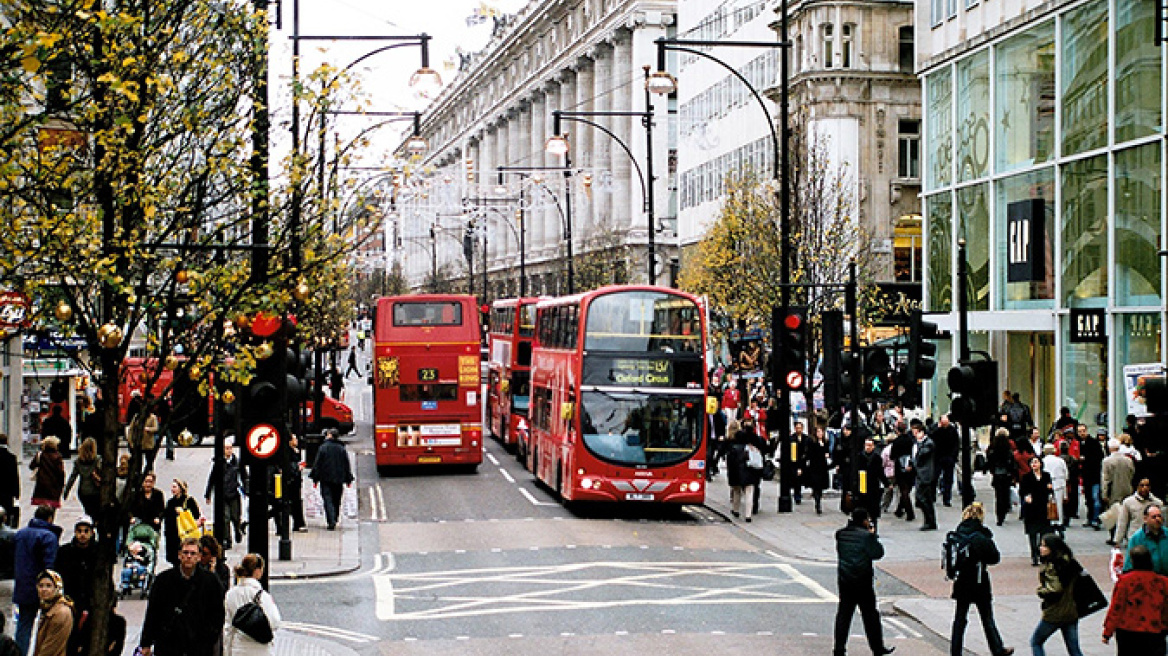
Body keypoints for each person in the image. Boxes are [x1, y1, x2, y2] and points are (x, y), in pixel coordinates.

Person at [138, 537, 225, 656]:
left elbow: (217, 614)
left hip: (199, 647)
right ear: (179, 555)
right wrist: (146, 643)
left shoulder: (211, 582)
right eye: (185, 552)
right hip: (169, 645)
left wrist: (207, 638)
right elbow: (153, 613)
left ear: (199, 557)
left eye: (193, 553)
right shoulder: (163, 580)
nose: (189, 556)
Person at [949, 503, 1014, 656]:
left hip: (961, 581)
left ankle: (955, 651)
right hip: (979, 581)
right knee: (987, 618)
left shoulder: (957, 535)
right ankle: (997, 649)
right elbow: (995, 558)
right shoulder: (980, 536)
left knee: (960, 619)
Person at [832, 508, 895, 656]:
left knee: (844, 615)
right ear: (864, 521)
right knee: (870, 616)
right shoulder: (866, 537)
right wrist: (873, 536)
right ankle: (877, 648)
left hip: (845, 581)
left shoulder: (840, 534)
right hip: (863, 581)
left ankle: (839, 649)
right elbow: (878, 553)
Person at [12, 505, 62, 655]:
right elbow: (49, 565)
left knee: (23, 625)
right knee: (45, 625)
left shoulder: (20, 534)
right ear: (50, 518)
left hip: (22, 586)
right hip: (42, 588)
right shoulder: (49, 537)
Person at [1103, 544, 1168, 654]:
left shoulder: (1125, 581)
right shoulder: (1162, 582)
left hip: (1128, 630)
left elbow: (1117, 607)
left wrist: (1107, 632)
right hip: (1154, 629)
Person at [1030, 533, 1085, 656]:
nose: (1040, 548)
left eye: (1044, 546)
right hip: (1071, 610)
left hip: (1055, 612)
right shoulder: (1069, 562)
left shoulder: (1052, 566)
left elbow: (1055, 588)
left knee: (1036, 641)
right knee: (1074, 649)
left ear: (1052, 549)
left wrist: (1040, 591)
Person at [53, 517, 97, 656]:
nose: (82, 535)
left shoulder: (97, 552)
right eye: (79, 531)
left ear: (91, 533)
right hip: (70, 599)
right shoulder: (64, 552)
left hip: (91, 601)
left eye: (86, 531)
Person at [223, 553, 282, 656]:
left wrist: (227, 652)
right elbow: (275, 621)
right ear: (257, 571)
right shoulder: (263, 596)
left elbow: (228, 628)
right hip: (261, 650)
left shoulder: (230, 594)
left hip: (239, 649)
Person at [204, 439, 248, 548]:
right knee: (225, 518)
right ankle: (227, 539)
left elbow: (244, 476)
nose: (228, 450)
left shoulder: (237, 462)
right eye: (226, 448)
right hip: (223, 494)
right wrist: (208, 493)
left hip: (234, 493)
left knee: (235, 517)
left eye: (230, 448)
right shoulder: (218, 463)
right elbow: (212, 478)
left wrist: (246, 489)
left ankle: (237, 530)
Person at [310, 429, 353, 531]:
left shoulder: (323, 448)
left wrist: (315, 478)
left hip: (325, 479)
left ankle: (331, 520)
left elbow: (317, 464)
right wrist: (348, 479)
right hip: (339, 479)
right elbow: (346, 464)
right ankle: (335, 517)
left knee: (327, 499)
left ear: (330, 436)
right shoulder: (341, 448)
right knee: (337, 500)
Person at [1019, 456, 1054, 566]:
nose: (1034, 464)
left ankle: (1042, 555)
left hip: (1043, 508)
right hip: (1031, 509)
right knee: (1032, 534)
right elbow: (1022, 491)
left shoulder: (1046, 475)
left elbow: (1049, 490)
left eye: (1036, 462)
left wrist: (1050, 489)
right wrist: (1026, 497)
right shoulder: (1027, 477)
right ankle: (1034, 555)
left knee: (1044, 533)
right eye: (1032, 463)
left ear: (1040, 464)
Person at [725, 420, 761, 522]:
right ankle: (748, 515)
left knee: (737, 490)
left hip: (735, 471)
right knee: (749, 491)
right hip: (748, 470)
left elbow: (726, 459)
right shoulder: (748, 444)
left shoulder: (730, 445)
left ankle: (736, 510)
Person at [33, 570, 73, 656]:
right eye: (41, 586)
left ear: (57, 588)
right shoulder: (47, 608)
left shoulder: (60, 613)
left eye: (48, 586)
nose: (44, 589)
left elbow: (50, 648)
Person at [163, 479, 201, 567]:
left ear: (181, 488)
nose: (172, 489)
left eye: (174, 487)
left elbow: (196, 515)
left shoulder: (189, 501)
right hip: (173, 535)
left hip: (185, 534)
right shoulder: (170, 502)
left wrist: (183, 512)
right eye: (172, 487)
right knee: (175, 559)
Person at [1115, 479, 1163, 549]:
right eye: (1142, 485)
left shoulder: (1157, 503)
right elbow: (1122, 522)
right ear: (1137, 487)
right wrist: (1117, 541)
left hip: (1152, 539)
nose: (1145, 488)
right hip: (1134, 539)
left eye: (1147, 485)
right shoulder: (1128, 502)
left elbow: (1162, 522)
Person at [62, 439, 102, 519]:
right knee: (96, 513)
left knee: (88, 512)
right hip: (95, 491)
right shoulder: (97, 460)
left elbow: (72, 477)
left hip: (83, 491)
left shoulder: (78, 461)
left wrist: (66, 490)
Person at [1124, 504, 1168, 575]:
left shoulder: (1167, 534)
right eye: (1154, 517)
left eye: (1159, 516)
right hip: (1147, 581)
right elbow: (1128, 565)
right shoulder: (1136, 538)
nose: (1158, 519)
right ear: (1145, 519)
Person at [986, 429, 1017, 526]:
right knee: (1005, 493)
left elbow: (989, 459)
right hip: (1006, 474)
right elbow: (1012, 462)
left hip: (997, 473)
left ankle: (999, 514)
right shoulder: (1008, 448)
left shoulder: (993, 448)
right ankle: (1005, 510)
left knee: (998, 495)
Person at [911, 419, 937, 530]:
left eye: (916, 432)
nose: (914, 434)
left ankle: (930, 521)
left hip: (925, 474)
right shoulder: (917, 443)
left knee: (924, 498)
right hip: (919, 473)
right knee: (923, 498)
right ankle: (929, 520)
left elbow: (922, 454)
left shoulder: (928, 443)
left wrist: (919, 444)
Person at [856, 438, 886, 535]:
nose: (868, 447)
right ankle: (863, 529)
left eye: (870, 445)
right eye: (866, 445)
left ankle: (873, 529)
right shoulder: (860, 456)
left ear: (873, 446)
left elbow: (880, 472)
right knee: (863, 510)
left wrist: (886, 483)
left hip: (873, 487)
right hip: (862, 485)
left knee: (873, 512)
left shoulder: (877, 458)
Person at [1080, 425, 1107, 529]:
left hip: (1094, 475)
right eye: (1080, 431)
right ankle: (1090, 517)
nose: (1081, 433)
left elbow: (1098, 458)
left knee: (1095, 498)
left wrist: (1085, 459)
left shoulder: (1093, 443)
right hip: (1086, 476)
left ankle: (1096, 519)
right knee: (1088, 498)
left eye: (1083, 431)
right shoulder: (1079, 443)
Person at [29, 437, 66, 509]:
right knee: (52, 509)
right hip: (53, 486)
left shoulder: (40, 455)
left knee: (42, 508)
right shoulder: (58, 456)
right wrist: (62, 485)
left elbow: (31, 466)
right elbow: (60, 473)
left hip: (41, 485)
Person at [803, 425, 831, 515]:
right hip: (814, 466)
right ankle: (817, 502)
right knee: (816, 485)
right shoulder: (812, 442)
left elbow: (827, 452)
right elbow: (810, 454)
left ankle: (818, 497)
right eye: (818, 432)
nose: (820, 434)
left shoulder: (825, 442)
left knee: (821, 486)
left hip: (823, 466)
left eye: (821, 432)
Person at [890, 423, 915, 522]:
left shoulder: (896, 442)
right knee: (907, 489)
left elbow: (892, 456)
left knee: (904, 490)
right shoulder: (911, 440)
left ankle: (909, 512)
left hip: (900, 468)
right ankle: (899, 510)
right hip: (910, 467)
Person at [932, 415, 959, 507]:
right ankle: (933, 496)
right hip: (938, 457)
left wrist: (953, 456)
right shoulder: (936, 431)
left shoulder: (952, 431)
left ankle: (947, 498)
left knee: (948, 479)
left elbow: (956, 444)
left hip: (948, 457)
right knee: (935, 477)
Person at [283, 436, 306, 532]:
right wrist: (297, 467)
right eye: (294, 439)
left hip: (295, 481)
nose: (296, 441)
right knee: (290, 503)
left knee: (295, 503)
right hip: (290, 481)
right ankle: (298, 523)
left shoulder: (296, 451)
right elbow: (288, 465)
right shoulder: (287, 452)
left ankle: (298, 523)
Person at [1042, 444, 1069, 528]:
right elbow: (1066, 474)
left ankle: (1048, 521)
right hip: (1059, 483)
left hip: (1046, 484)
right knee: (1059, 504)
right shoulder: (1060, 461)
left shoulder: (1043, 461)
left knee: (1047, 503)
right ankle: (1059, 522)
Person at [0, 434, 19, 528]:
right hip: (7, 491)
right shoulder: (11, 458)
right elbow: (14, 477)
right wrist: (16, 493)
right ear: (6, 442)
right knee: (7, 511)